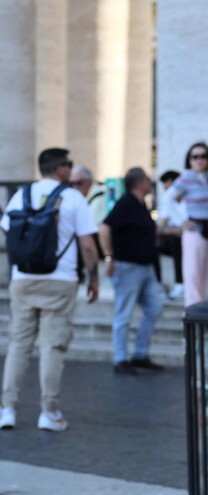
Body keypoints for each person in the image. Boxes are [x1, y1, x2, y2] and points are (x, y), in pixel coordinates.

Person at [0, 148, 99, 432]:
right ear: (60, 169)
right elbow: (88, 245)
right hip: (60, 279)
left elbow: (9, 231)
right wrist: (93, 278)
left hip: (23, 278)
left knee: (18, 344)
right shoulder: (73, 197)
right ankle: (49, 411)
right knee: (52, 346)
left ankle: (7, 408)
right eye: (69, 164)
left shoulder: (21, 194)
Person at [99, 167, 165, 374]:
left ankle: (140, 354)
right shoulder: (126, 203)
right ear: (139, 182)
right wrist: (109, 257)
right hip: (127, 266)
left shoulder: (141, 204)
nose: (150, 182)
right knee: (124, 314)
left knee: (154, 308)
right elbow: (104, 228)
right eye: (147, 179)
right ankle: (120, 358)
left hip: (145, 267)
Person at [164, 142, 208, 306]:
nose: (200, 160)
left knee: (205, 274)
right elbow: (167, 198)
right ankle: (192, 313)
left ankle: (200, 312)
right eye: (195, 157)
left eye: (204, 156)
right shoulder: (186, 178)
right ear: (189, 160)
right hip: (194, 230)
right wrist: (182, 221)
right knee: (192, 274)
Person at [155, 170, 186, 299]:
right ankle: (158, 283)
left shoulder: (188, 197)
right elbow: (162, 221)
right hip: (175, 235)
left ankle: (181, 284)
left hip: (190, 234)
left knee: (179, 242)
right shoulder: (167, 198)